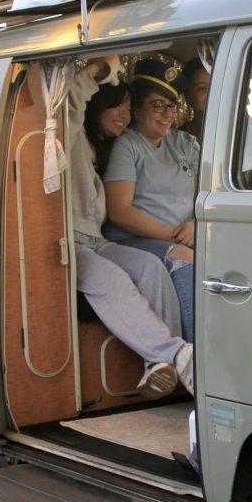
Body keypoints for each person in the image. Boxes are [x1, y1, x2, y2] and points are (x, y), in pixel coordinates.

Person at [66, 57, 193, 398]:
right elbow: (70, 104)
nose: (123, 116)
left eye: (126, 108)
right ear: (98, 107)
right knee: (112, 281)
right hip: (71, 243)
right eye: (116, 107)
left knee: (151, 268)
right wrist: (96, 71)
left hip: (97, 240)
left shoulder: (100, 147)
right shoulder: (72, 137)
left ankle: (161, 365)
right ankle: (177, 355)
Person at [104, 58, 198, 341]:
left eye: (171, 106)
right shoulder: (128, 145)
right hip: (135, 239)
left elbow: (209, 194)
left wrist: (195, 223)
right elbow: (120, 211)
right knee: (183, 258)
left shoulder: (185, 144)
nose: (167, 114)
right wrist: (175, 237)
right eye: (157, 105)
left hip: (187, 235)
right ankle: (195, 355)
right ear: (137, 108)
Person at [180, 57, 210, 140]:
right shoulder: (177, 140)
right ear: (187, 96)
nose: (211, 92)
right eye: (201, 88)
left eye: (215, 85)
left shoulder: (240, 129)